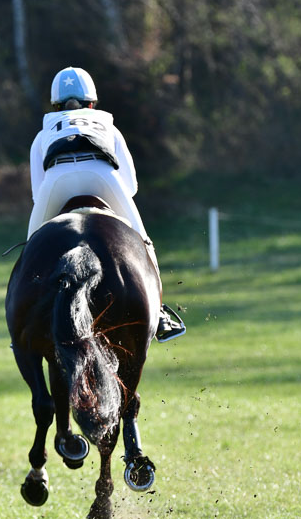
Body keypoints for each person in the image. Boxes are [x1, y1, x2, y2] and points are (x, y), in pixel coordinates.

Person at [27, 65, 185, 342]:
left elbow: (37, 193)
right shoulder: (108, 126)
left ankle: (28, 313)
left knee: (32, 248)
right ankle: (159, 313)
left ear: (55, 104)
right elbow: (132, 185)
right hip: (103, 177)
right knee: (142, 241)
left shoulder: (43, 134)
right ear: (92, 101)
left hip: (56, 180)